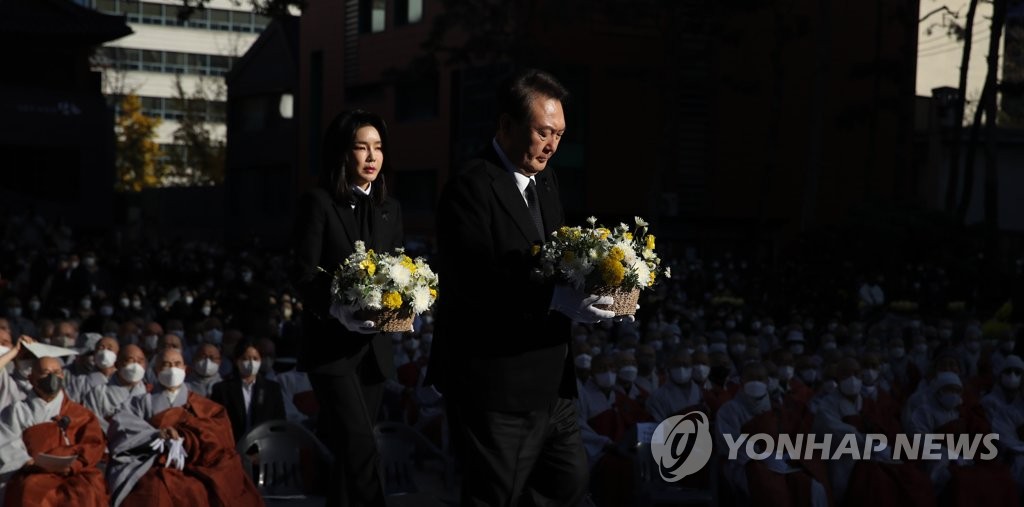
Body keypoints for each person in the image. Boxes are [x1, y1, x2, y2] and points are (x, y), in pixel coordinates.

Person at [427, 68, 619, 506]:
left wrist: (595, 283)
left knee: (568, 488)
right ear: (506, 126)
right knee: (497, 496)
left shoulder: (547, 181)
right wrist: (556, 297)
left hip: (554, 380)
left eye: (560, 134)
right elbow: (474, 281)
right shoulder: (469, 187)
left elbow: (559, 259)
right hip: (497, 385)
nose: (552, 145)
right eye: (543, 132)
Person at [290, 109, 403, 507]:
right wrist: (338, 308)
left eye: (378, 148)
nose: (372, 156)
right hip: (331, 350)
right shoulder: (318, 203)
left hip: (374, 350)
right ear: (343, 153)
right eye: (361, 147)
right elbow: (302, 273)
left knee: (347, 457)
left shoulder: (390, 209)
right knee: (361, 446)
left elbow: (398, 271)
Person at [105, 348, 263, 507]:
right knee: (152, 489)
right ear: (155, 370)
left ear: (185, 369)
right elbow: (122, 426)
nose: (172, 369)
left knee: (203, 488)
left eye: (177, 364)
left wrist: (186, 438)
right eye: (166, 365)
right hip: (152, 462)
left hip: (194, 463)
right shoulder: (139, 402)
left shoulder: (201, 404)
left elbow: (218, 434)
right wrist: (156, 435)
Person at [0, 356, 110, 506]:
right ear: (31, 378)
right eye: (45, 373)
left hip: (73, 471)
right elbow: (5, 440)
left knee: (88, 490)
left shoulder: (80, 413)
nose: (52, 377)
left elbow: (93, 444)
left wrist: (74, 465)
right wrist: (26, 462)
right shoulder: (16, 411)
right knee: (29, 488)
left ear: (63, 376)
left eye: (57, 372)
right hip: (32, 471)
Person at [209, 341, 285, 443]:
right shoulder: (222, 389)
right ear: (236, 361)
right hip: (232, 446)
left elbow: (279, 422)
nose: (251, 363)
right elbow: (216, 423)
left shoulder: (272, 389)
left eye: (255, 358)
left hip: (264, 447)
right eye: (245, 359)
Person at [80, 345, 149, 432]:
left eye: (140, 361)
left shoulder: (149, 391)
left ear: (145, 365)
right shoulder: (98, 393)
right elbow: (91, 421)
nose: (136, 365)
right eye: (130, 360)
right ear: (117, 364)